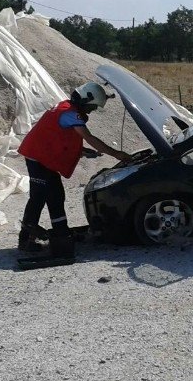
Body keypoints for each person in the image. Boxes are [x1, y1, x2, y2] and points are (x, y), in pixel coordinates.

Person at [16, 82, 132, 262]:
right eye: (93, 106)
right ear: (86, 100)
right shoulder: (71, 114)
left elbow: (57, 135)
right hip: (39, 158)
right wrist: (117, 154)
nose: (92, 111)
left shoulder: (65, 107)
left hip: (35, 155)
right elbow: (90, 138)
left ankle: (26, 240)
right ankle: (61, 240)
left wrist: (83, 151)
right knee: (55, 196)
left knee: (38, 197)